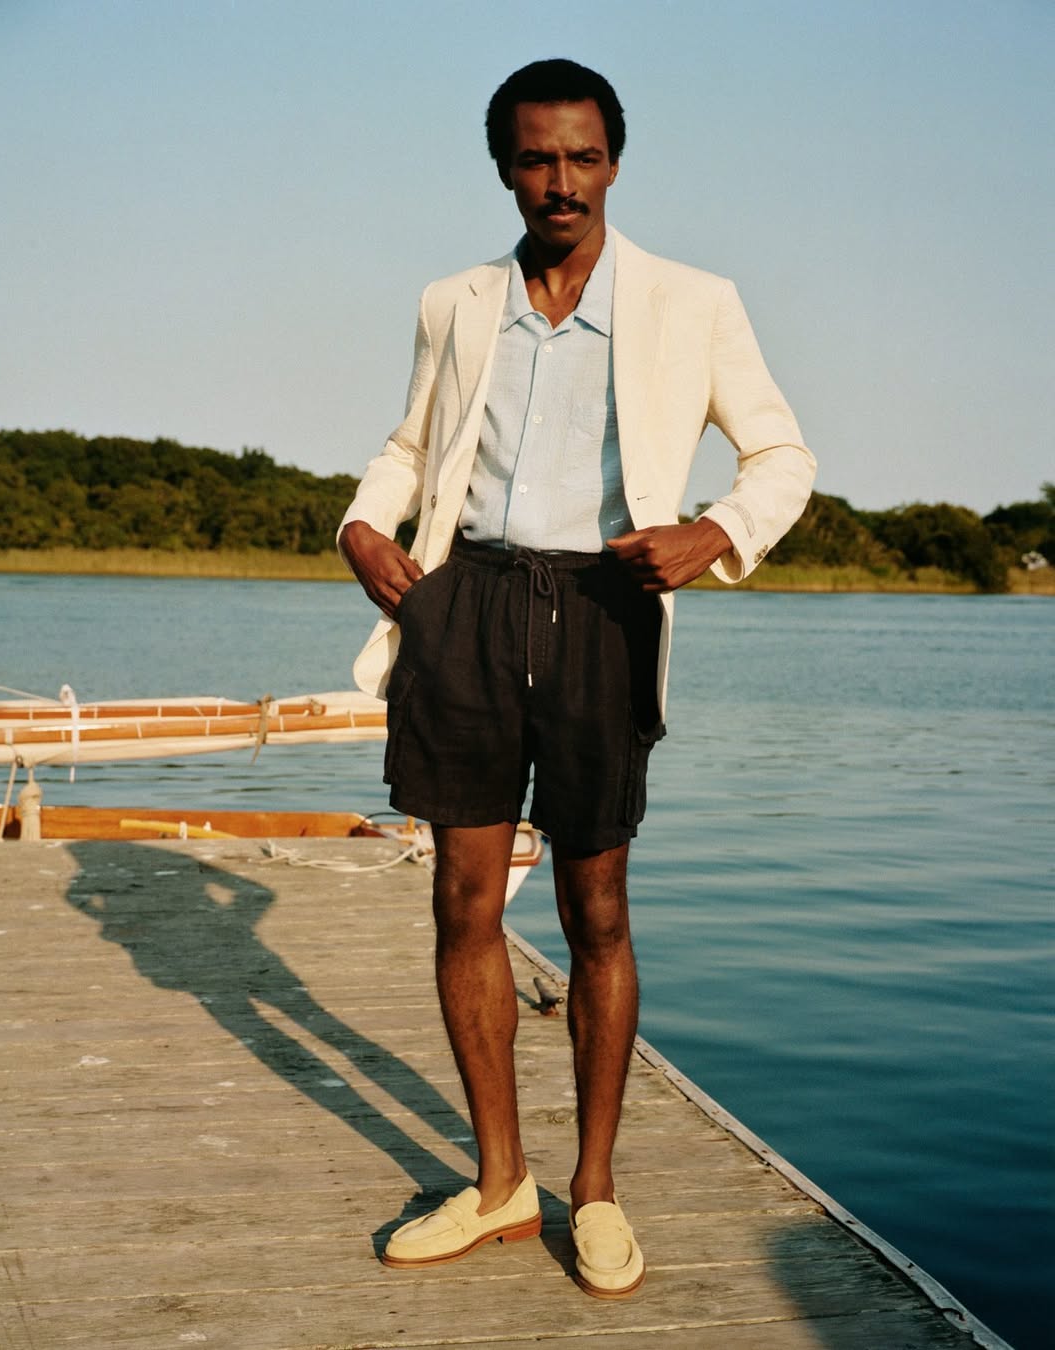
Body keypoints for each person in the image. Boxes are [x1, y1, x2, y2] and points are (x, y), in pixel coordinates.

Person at [338, 58, 816, 1299]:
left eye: (584, 157)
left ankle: (593, 1189)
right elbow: (408, 444)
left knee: (596, 908)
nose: (563, 182)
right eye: (539, 158)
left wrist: (714, 535)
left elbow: (781, 454)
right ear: (504, 164)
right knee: (462, 897)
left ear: (615, 161)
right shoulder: (456, 301)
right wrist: (361, 528)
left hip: (608, 606)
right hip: (470, 605)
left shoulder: (690, 301)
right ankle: (499, 1184)